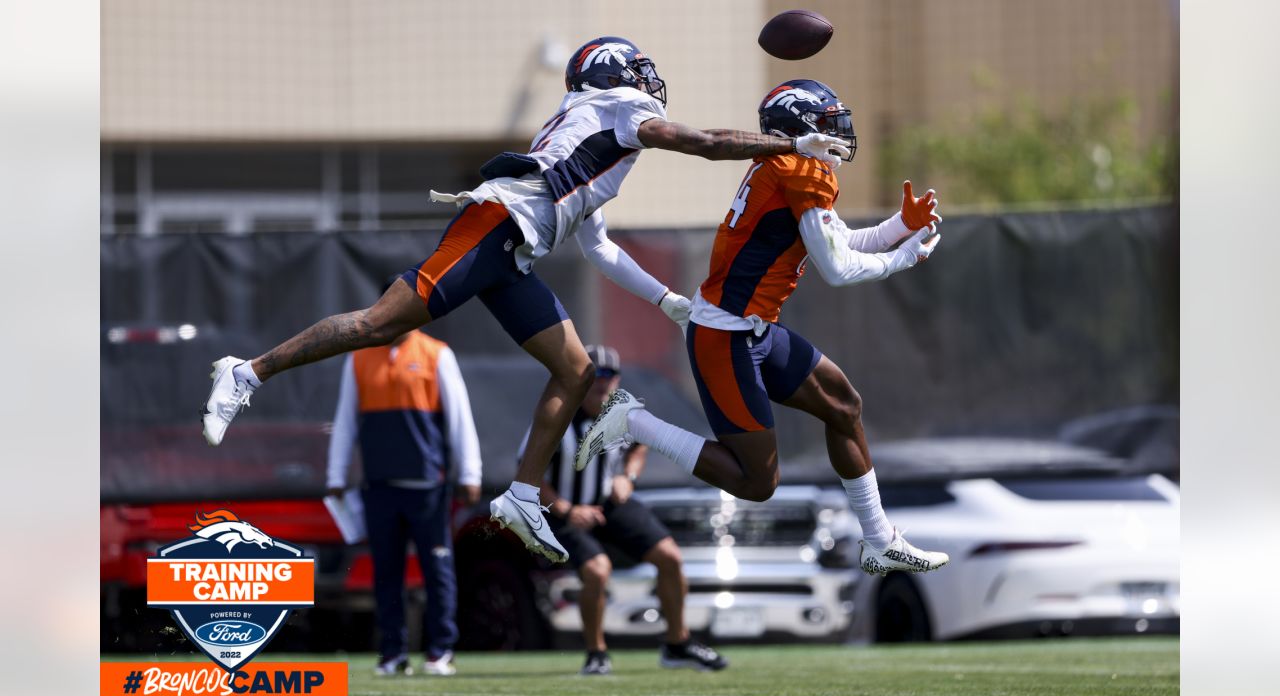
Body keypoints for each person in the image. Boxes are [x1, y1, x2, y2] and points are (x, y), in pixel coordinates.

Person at [201, 37, 851, 564]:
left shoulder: (587, 130)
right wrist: (791, 143)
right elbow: (705, 143)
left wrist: (665, 301)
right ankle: (247, 371)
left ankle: (520, 495)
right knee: (380, 325)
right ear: (615, 72)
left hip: (514, 250)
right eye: (641, 70)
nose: (650, 81)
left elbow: (599, 246)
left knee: (576, 370)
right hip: (494, 227)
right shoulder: (618, 102)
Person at [576, 79, 950, 577]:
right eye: (826, 121)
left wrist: (899, 226)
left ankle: (880, 540)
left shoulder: (790, 167)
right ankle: (631, 422)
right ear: (799, 127)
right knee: (757, 482)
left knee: (842, 405)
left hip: (754, 329)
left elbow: (840, 240)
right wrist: (900, 259)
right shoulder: (797, 169)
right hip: (725, 334)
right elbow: (837, 268)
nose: (837, 131)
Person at [518, 345, 726, 675]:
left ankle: (677, 643)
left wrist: (627, 477)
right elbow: (528, 474)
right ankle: (596, 653)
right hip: (562, 510)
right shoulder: (556, 414)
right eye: (595, 375)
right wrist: (569, 509)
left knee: (670, 557)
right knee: (598, 570)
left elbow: (641, 445)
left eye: (610, 375)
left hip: (609, 506)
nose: (603, 383)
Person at [324, 293, 482, 677]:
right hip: (379, 485)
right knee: (386, 572)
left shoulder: (436, 353)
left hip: (428, 486)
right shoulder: (359, 356)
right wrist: (336, 475)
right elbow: (345, 420)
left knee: (437, 569)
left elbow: (460, 416)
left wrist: (470, 473)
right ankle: (392, 654)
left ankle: (441, 651)